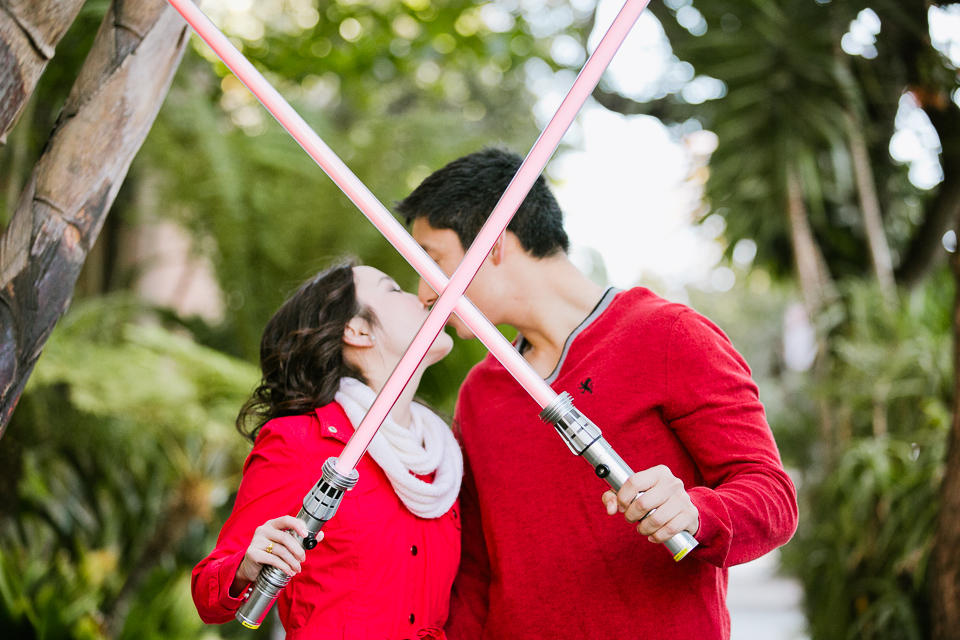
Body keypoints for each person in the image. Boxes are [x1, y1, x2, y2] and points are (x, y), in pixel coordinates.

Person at [396, 148, 799, 640]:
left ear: (494, 244)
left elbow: (772, 496)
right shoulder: (481, 392)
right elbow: (479, 571)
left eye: (432, 261)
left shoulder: (668, 336)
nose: (422, 291)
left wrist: (696, 512)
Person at [191, 260, 463, 640]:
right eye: (394, 289)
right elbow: (208, 592)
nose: (421, 297)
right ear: (358, 329)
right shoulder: (300, 441)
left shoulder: (443, 462)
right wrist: (246, 565)